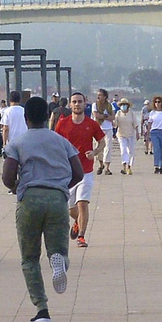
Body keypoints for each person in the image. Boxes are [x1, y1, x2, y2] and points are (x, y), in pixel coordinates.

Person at [1, 96, 83, 322]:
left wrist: (20, 187)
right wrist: (59, 187)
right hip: (56, 199)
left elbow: (7, 177)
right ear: (48, 117)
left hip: (30, 199)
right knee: (58, 250)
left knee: (29, 258)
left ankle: (42, 309)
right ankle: (59, 262)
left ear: (26, 119)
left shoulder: (17, 143)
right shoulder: (61, 141)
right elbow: (77, 172)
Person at [55, 91, 106, 248]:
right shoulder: (62, 124)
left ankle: (82, 236)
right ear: (70, 105)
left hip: (86, 171)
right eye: (74, 102)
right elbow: (56, 144)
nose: (77, 104)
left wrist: (95, 153)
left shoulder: (92, 124)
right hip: (68, 172)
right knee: (72, 209)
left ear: (85, 104)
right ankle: (77, 221)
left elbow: (102, 142)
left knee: (82, 203)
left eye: (80, 102)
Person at [92, 89, 116, 175]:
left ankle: (107, 168)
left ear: (105, 97)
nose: (98, 97)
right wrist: (106, 116)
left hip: (108, 128)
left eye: (100, 95)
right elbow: (96, 115)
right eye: (98, 95)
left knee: (108, 148)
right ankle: (101, 164)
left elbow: (113, 117)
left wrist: (104, 116)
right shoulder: (95, 105)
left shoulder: (110, 106)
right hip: (98, 128)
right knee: (99, 148)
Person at [113, 97, 139, 175]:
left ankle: (129, 166)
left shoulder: (131, 113)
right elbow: (115, 124)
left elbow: (135, 124)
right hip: (121, 134)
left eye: (125, 104)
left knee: (131, 151)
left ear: (127, 106)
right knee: (123, 150)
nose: (123, 106)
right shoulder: (118, 113)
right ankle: (124, 166)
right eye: (122, 105)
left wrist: (138, 133)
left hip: (131, 134)